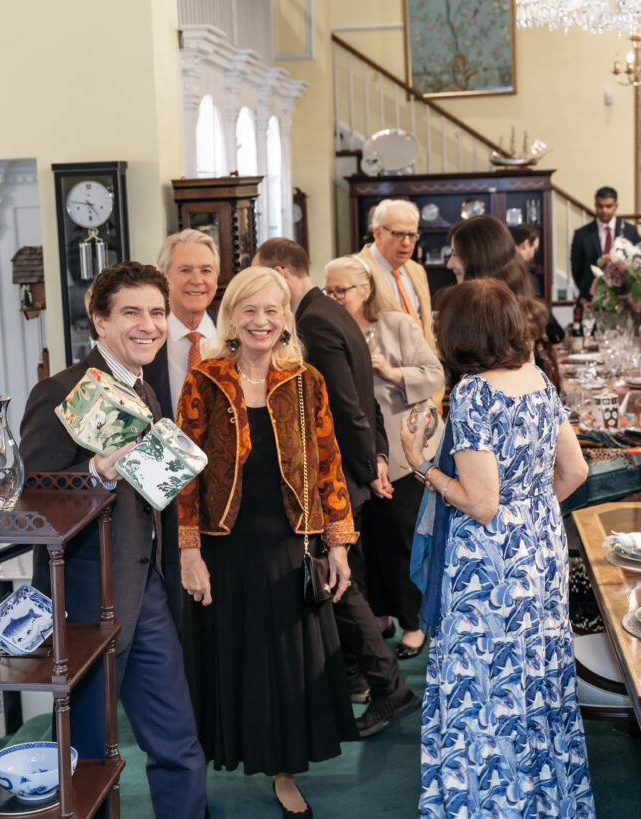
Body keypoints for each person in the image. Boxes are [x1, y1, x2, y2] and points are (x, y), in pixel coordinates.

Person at [400, 278, 594, 817]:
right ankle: (546, 800)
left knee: (485, 684)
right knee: (537, 677)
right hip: (542, 550)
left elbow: (481, 503)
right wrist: (529, 510)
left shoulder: (474, 393)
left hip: (489, 566)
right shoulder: (538, 379)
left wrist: (421, 466)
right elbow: (575, 471)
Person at [20, 262, 207, 819]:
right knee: (89, 757)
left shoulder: (146, 390)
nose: (148, 325)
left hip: (146, 589)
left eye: (157, 312)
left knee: (179, 743)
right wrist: (96, 472)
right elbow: (31, 499)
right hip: (85, 601)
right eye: (131, 312)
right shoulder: (59, 391)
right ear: (100, 321)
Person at [177, 266, 357, 819]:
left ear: (286, 319)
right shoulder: (205, 379)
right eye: (249, 310)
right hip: (223, 549)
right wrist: (188, 550)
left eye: (271, 310)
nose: (260, 321)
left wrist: (338, 544)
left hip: (289, 547)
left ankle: (284, 772)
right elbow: (183, 471)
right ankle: (201, 775)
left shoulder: (305, 380)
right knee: (226, 663)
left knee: (284, 668)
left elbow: (329, 463)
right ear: (231, 317)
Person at [254, 237, 421, 738]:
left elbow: (345, 404)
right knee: (348, 582)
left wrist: (370, 466)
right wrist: (377, 457)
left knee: (338, 583)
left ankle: (387, 686)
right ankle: (359, 680)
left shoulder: (313, 321)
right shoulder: (330, 311)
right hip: (351, 471)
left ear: (281, 273)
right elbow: (363, 400)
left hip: (337, 477)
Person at [324, 254, 444, 659]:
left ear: (366, 289)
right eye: (329, 290)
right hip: (358, 455)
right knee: (369, 545)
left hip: (404, 453)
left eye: (341, 290)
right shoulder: (328, 331)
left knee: (402, 541)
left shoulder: (396, 325)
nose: (334, 297)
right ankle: (379, 616)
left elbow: (434, 373)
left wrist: (393, 373)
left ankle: (414, 624)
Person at [447, 215, 559, 391]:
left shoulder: (482, 315)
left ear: (477, 258)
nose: (449, 264)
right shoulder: (515, 302)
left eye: (454, 254)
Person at [143, 228, 219, 420]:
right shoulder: (145, 338)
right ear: (164, 278)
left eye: (206, 270)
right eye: (185, 270)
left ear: (216, 279)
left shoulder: (235, 334)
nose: (197, 280)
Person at [356, 199, 435, 351]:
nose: (406, 243)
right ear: (377, 233)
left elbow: (426, 325)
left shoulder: (417, 270)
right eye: (398, 234)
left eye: (412, 235)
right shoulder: (356, 271)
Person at [570, 185, 641, 300]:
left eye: (608, 206)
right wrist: (589, 292)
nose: (604, 210)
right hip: (591, 297)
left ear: (616, 206)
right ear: (595, 205)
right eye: (600, 206)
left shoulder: (630, 231)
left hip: (623, 297)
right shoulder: (581, 235)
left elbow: (638, 264)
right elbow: (576, 270)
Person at [510, 222, 565, 345]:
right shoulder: (524, 271)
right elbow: (538, 303)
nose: (533, 255)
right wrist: (558, 335)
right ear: (525, 244)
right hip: (521, 334)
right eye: (534, 249)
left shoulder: (499, 266)